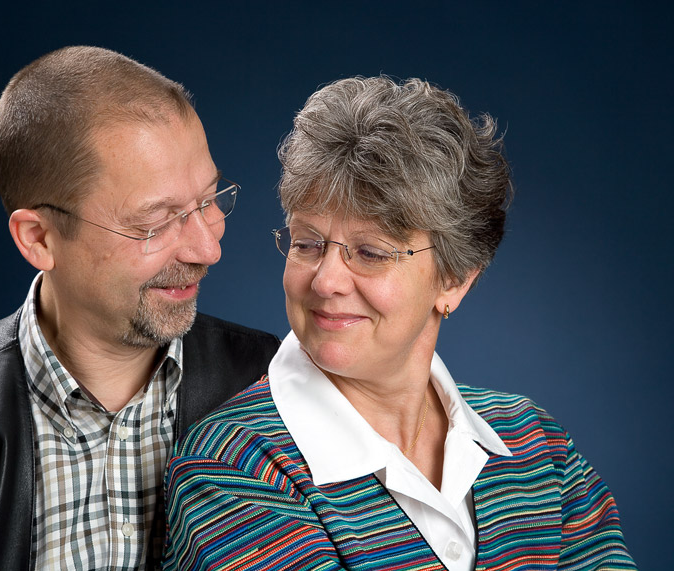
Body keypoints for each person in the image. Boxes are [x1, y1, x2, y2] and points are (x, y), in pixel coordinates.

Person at [163, 77, 636, 570]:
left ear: (453, 279)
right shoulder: (229, 469)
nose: (326, 281)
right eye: (307, 243)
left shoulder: (539, 446)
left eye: (370, 252)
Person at [0, 46, 279, 570]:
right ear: (39, 238)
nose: (207, 249)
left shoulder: (276, 383)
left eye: (207, 200)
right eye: (155, 223)